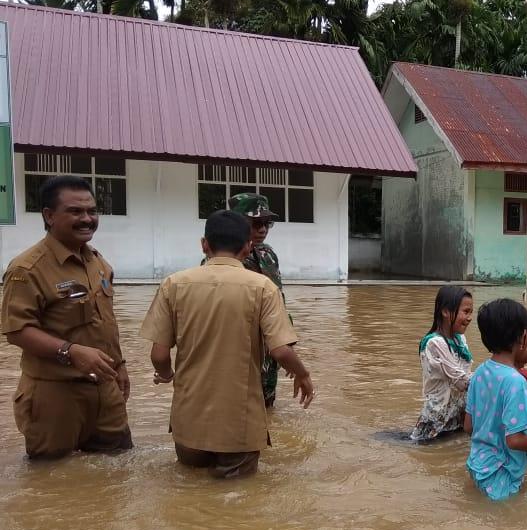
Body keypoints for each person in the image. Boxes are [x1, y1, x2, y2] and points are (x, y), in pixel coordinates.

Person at [141, 210, 315, 478]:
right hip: (240, 422)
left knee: (190, 491)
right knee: (237, 501)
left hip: (188, 420)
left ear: (204, 245)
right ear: (247, 247)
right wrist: (302, 374)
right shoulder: (263, 287)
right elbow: (280, 350)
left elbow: (159, 353)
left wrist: (166, 376)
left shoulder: (173, 284)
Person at [1, 175, 132, 460]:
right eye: (75, 211)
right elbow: (16, 330)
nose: (87, 219)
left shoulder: (97, 261)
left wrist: (120, 366)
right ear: (49, 215)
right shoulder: (27, 269)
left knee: (117, 477)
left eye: (92, 211)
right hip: (55, 396)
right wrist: (70, 352)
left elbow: (106, 321)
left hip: (105, 391)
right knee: (51, 482)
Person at [464, 299, 527, 500]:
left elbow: (468, 426)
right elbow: (515, 440)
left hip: (477, 466)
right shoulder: (515, 381)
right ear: (522, 336)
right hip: (501, 476)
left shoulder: (479, 372)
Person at [232, 193, 289, 408]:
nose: (262, 229)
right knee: (241, 403)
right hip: (241, 347)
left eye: (266, 223)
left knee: (267, 401)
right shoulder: (223, 259)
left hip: (270, 345)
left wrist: (288, 343)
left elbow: (279, 300)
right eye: (255, 223)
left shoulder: (267, 254)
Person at [411, 285, 474, 441]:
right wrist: (493, 374)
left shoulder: (460, 340)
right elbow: (462, 381)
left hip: (456, 417)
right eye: (465, 312)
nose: (469, 318)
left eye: (471, 312)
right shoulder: (434, 343)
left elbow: (466, 377)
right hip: (436, 422)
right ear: (446, 312)